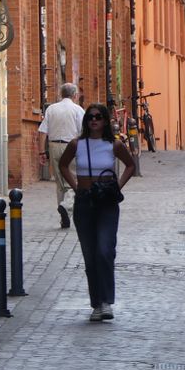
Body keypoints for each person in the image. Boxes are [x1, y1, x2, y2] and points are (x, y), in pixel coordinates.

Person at [58, 104, 135, 322]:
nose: (94, 120)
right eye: (90, 117)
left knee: (104, 249)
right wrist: (75, 187)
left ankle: (106, 302)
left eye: (98, 117)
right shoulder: (76, 144)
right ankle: (96, 304)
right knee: (90, 256)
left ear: (105, 121)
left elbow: (130, 165)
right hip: (85, 201)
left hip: (107, 202)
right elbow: (63, 165)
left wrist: (117, 186)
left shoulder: (114, 145)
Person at [37, 83, 85, 228]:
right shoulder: (78, 110)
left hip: (53, 146)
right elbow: (83, 132)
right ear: (75, 95)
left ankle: (64, 218)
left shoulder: (51, 109)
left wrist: (41, 152)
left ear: (61, 94)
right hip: (71, 146)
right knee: (74, 180)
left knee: (59, 183)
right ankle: (66, 206)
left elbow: (43, 132)